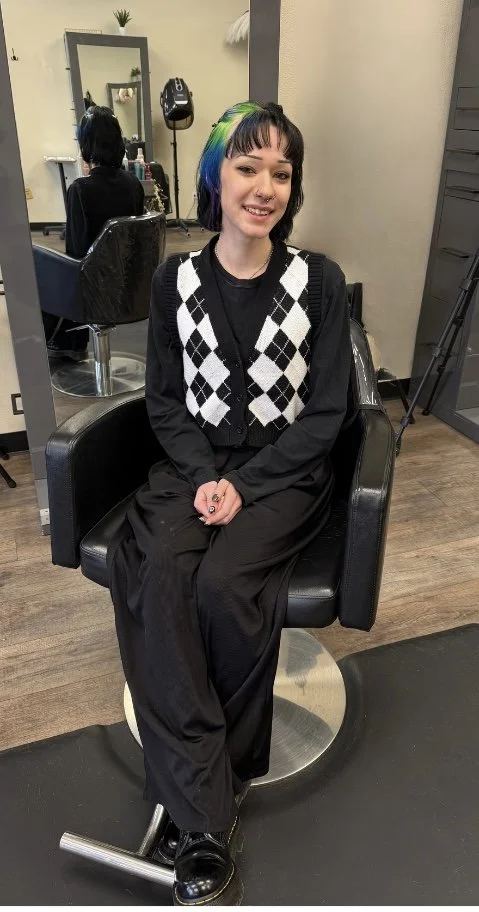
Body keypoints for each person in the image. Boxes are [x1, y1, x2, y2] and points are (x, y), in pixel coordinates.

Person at [108, 100, 352, 906]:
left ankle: (199, 811)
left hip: (283, 475)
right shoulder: (174, 279)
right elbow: (166, 403)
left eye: (281, 172)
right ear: (215, 176)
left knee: (224, 589)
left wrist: (244, 485)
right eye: (248, 167)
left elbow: (324, 413)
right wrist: (204, 473)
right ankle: (209, 798)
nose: (265, 186)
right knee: (158, 575)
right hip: (192, 465)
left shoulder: (314, 281)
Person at [43, 105, 145, 360]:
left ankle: (69, 344)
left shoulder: (80, 189)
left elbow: (76, 252)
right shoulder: (134, 184)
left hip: (96, 290)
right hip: (133, 285)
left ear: (86, 144)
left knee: (47, 270)